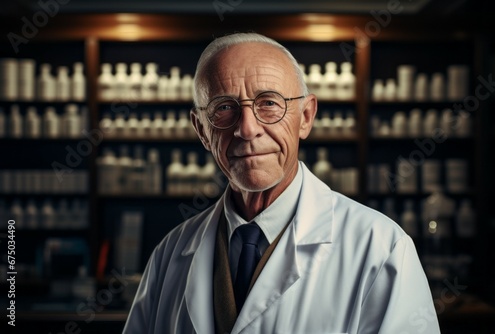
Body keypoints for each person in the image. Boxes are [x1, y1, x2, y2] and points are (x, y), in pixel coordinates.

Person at [123, 32, 440, 334]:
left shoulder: (381, 248)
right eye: (224, 108)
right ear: (202, 130)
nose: (247, 130)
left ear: (305, 117)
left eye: (269, 103)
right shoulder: (169, 254)